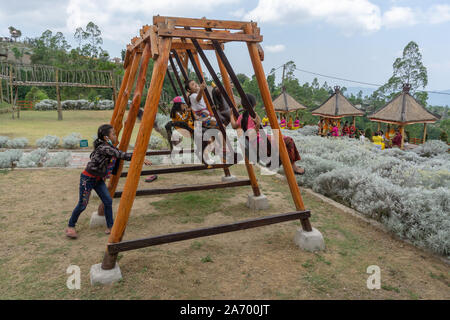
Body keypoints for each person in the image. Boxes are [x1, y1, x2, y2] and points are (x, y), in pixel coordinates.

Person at [65, 124, 152, 239]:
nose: (115, 136)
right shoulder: (104, 148)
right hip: (88, 179)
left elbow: (118, 153)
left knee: (107, 201)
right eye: (113, 134)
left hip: (98, 180)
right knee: (82, 204)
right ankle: (71, 226)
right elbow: (121, 155)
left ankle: (110, 226)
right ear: (106, 137)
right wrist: (140, 157)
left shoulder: (108, 146)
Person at [229, 93, 305, 175]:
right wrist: (257, 125)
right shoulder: (253, 116)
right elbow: (251, 134)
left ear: (243, 106)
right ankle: (292, 167)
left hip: (257, 141)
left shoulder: (241, 117)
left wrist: (231, 116)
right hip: (259, 143)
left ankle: (277, 161)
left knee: (281, 140)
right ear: (254, 104)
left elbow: (234, 126)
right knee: (288, 141)